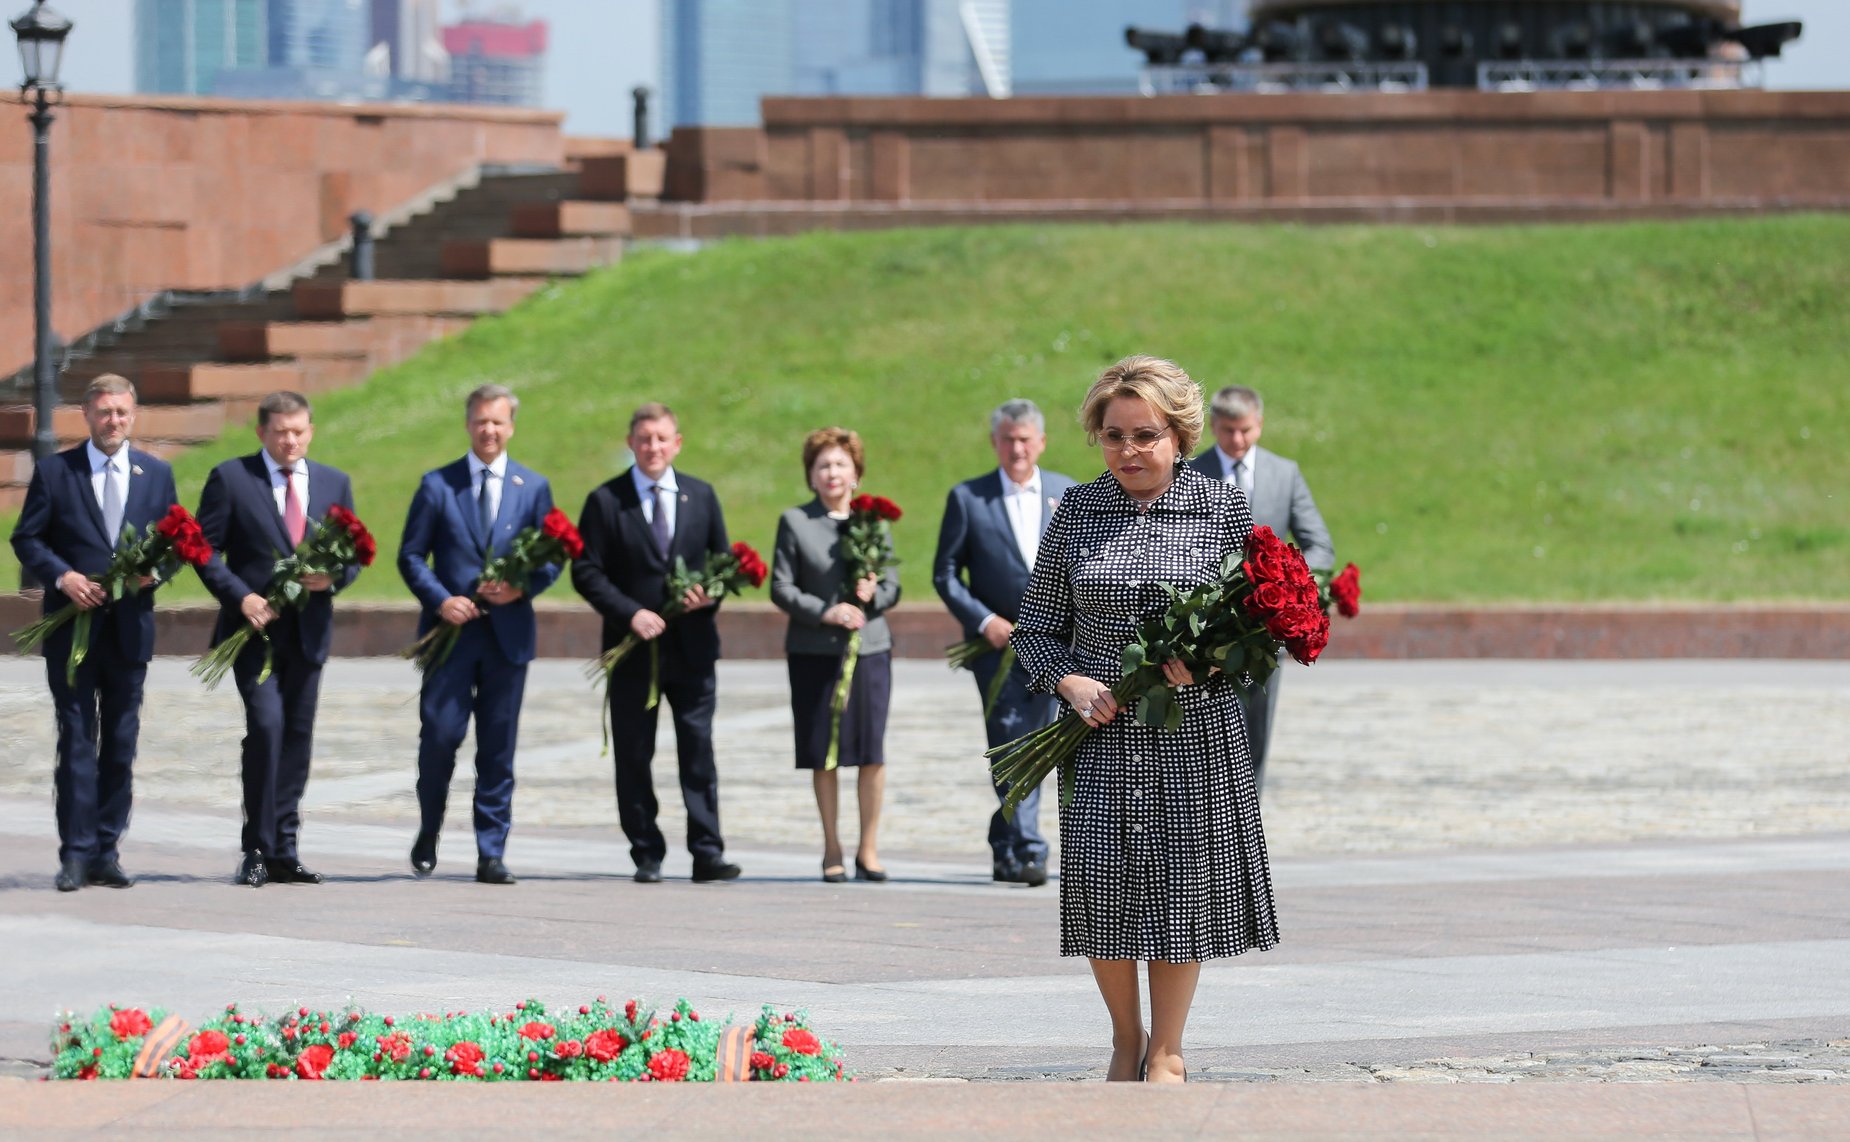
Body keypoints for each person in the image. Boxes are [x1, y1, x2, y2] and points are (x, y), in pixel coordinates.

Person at [1012, 356, 1280, 1084]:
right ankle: (1124, 1039)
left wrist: (1214, 663)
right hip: (1098, 735)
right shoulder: (1078, 510)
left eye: (1144, 435)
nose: (1128, 451)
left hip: (1192, 732)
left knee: (1179, 889)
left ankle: (1169, 1048)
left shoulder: (1221, 507)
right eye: (1113, 435)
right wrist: (1068, 681)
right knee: (1102, 886)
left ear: (1179, 435)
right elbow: (1034, 627)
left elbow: (1257, 636)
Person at [10, 374, 179, 892]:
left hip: (130, 631)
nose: (113, 421)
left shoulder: (156, 474)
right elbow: (27, 537)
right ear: (86, 415)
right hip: (71, 632)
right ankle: (76, 855)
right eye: (104, 412)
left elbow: (175, 543)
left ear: (135, 415)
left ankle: (108, 850)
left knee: (121, 744)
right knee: (78, 741)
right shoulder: (57, 472)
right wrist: (64, 576)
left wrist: (159, 573)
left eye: (122, 413)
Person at [196, 391, 362, 888]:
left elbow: (351, 557)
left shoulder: (335, 482)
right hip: (252, 633)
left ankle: (285, 848)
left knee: (297, 737)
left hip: (308, 634)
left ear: (310, 430)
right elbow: (204, 551)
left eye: (298, 431)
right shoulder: (231, 478)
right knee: (266, 727)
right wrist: (241, 598)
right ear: (261, 433)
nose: (290, 440)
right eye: (279, 432)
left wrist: (332, 578)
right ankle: (255, 847)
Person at [398, 384, 561, 886]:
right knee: (441, 737)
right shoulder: (437, 485)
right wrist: (440, 599)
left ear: (511, 427)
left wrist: (522, 587)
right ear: (468, 425)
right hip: (449, 638)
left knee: (497, 747)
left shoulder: (532, 487)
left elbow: (554, 556)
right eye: (480, 421)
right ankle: (429, 828)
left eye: (498, 422)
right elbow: (410, 555)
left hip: (507, 638)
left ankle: (491, 851)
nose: (489, 430)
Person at [572, 402, 740, 885]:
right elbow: (586, 570)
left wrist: (705, 596)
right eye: (644, 439)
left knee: (698, 751)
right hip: (631, 652)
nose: (653, 447)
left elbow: (722, 565)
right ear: (631, 443)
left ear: (677, 443)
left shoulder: (701, 496)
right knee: (633, 753)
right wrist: (631, 613)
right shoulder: (606, 501)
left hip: (692, 650)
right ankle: (646, 850)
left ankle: (707, 852)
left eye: (662, 438)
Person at [931, 399, 1076, 887]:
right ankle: (1029, 848)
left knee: (1049, 742)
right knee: (1012, 739)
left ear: (1041, 442)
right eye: (1009, 439)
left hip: (1061, 645)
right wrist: (985, 620)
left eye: (1026, 439)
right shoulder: (969, 499)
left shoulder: (1069, 494)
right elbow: (946, 574)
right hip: (1000, 647)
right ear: (995, 442)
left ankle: (1007, 839)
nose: (1018, 448)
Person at [770, 427, 901, 884]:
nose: (832, 473)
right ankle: (832, 847)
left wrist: (873, 593)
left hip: (870, 651)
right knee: (822, 753)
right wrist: (827, 613)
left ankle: (869, 848)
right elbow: (781, 586)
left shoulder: (873, 522)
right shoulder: (795, 522)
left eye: (841, 464)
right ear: (810, 474)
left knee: (871, 752)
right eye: (823, 465)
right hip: (814, 653)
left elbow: (893, 585)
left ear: (856, 474)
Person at [1190, 385, 1332, 796]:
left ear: (1260, 425)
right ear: (1213, 427)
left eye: (1245, 430)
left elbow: (1318, 543)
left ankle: (1250, 810)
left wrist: (1294, 587)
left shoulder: (1283, 473)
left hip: (1264, 626)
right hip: (1204, 625)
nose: (1237, 440)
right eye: (1228, 430)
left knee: (1255, 722)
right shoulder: (1191, 473)